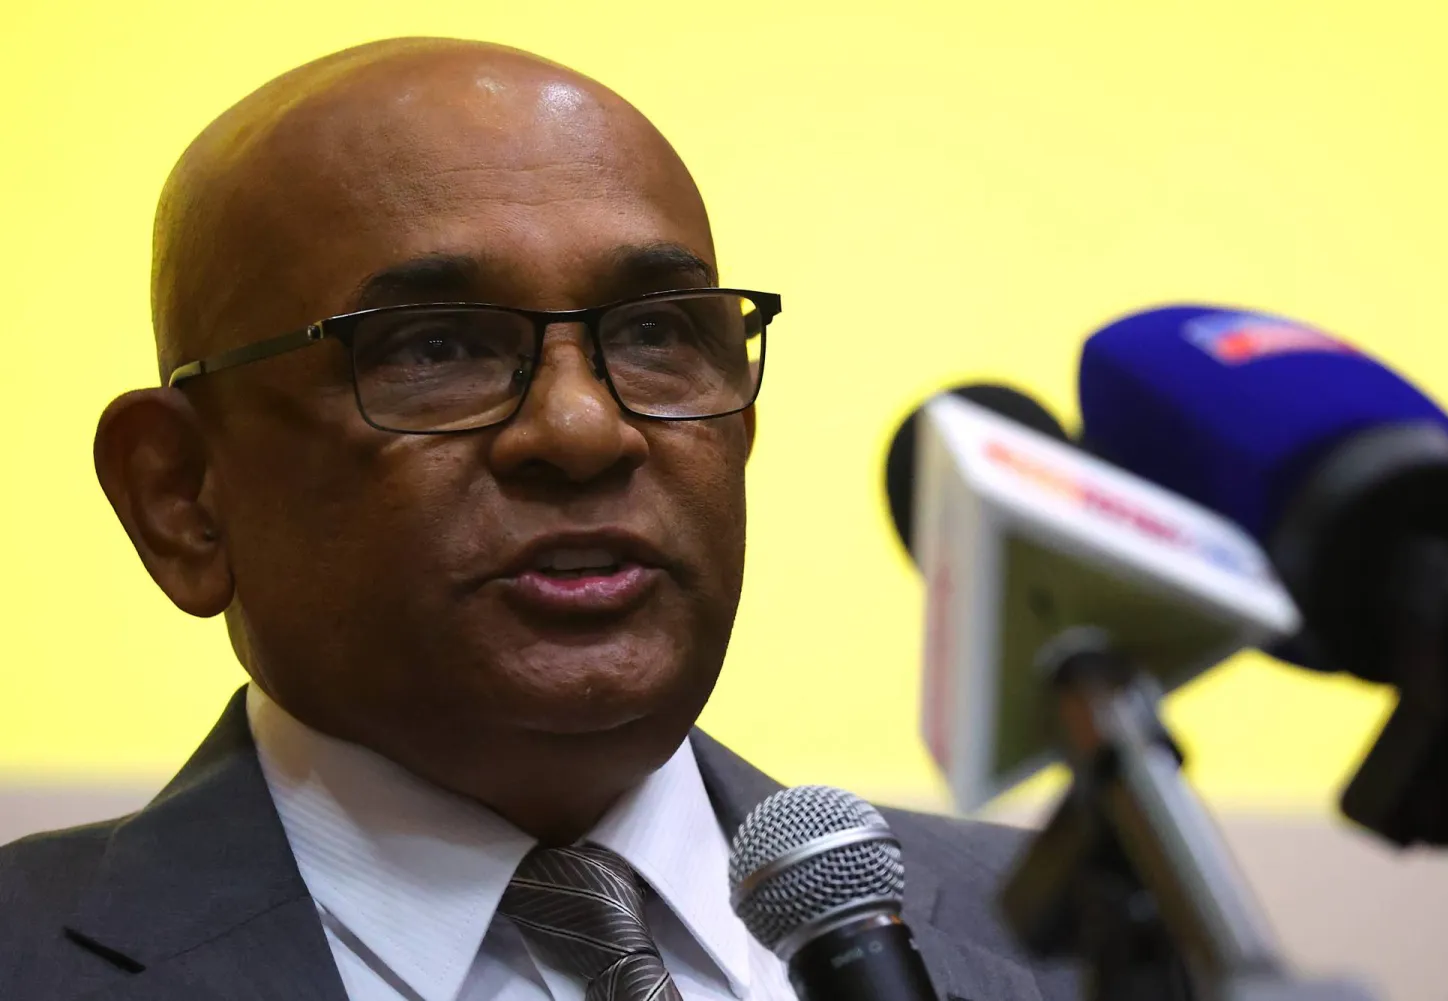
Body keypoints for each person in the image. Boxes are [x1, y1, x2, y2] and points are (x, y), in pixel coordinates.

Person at [0, 38, 1075, 1001]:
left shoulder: (1082, 950)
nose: (583, 428)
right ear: (181, 497)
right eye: (435, 347)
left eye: (657, 331)